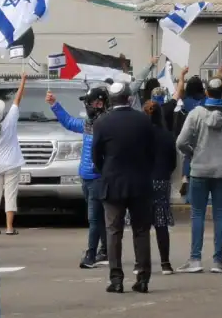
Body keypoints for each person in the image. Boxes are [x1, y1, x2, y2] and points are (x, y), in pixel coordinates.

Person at [176, 77, 222, 274]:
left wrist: (193, 153)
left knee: (197, 213)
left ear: (207, 92)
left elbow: (181, 142)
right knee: (220, 214)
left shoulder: (195, 114)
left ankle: (195, 259)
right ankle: (218, 261)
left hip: (199, 169)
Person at [92, 82, 155, 293]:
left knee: (113, 231)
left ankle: (116, 279)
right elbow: (152, 152)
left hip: (113, 183)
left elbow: (96, 155)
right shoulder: (143, 120)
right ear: (129, 98)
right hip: (140, 182)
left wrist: (106, 171)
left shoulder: (102, 122)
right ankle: (143, 278)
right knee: (141, 231)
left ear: (110, 100)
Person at [47, 86, 110, 268]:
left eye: (89, 103)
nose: (86, 106)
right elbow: (69, 122)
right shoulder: (89, 124)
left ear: (99, 104)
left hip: (97, 177)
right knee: (98, 217)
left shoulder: (106, 125)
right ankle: (105, 250)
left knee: (94, 218)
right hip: (86, 177)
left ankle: (91, 254)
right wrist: (54, 104)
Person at [0, 73, 27, 236]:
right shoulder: (10, 120)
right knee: (10, 195)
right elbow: (17, 99)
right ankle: (9, 227)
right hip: (12, 163)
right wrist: (23, 81)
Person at [144, 100, 177, 275]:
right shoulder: (167, 135)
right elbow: (173, 162)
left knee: (141, 224)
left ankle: (141, 263)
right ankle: (165, 263)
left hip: (143, 180)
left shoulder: (140, 135)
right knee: (161, 223)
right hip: (162, 179)